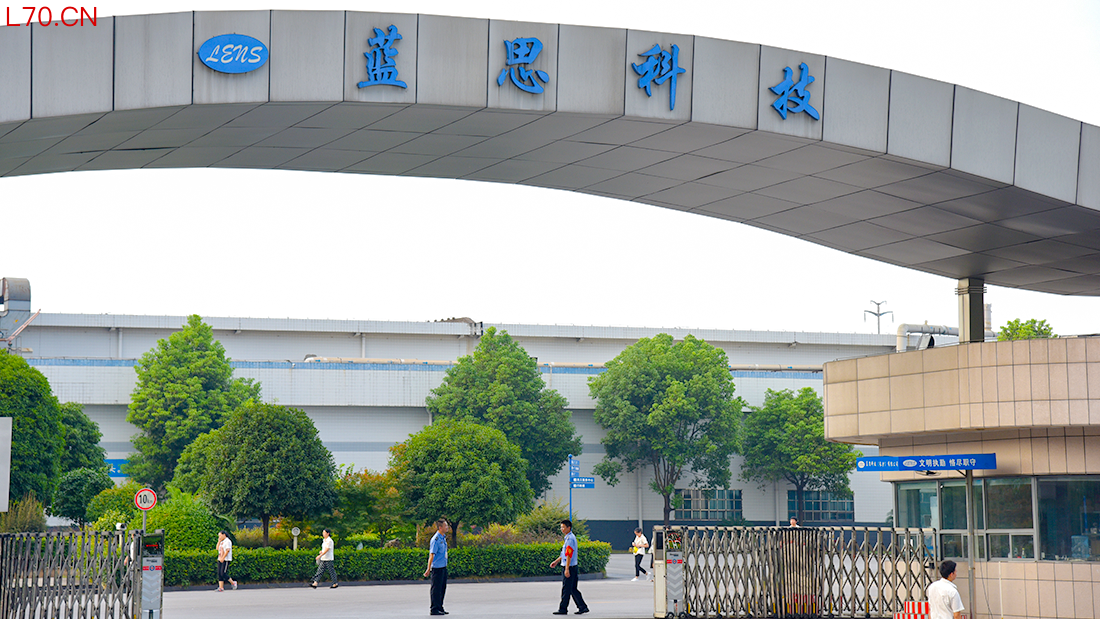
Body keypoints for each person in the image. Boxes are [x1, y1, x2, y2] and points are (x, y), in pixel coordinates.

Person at [550, 519, 589, 615]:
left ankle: (563, 609)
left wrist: (567, 569)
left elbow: (569, 555)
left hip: (570, 567)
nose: (562, 529)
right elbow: (565, 553)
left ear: (569, 527)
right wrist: (556, 561)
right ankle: (583, 607)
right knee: (572, 589)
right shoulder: (568, 537)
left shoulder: (570, 539)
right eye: (561, 527)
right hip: (572, 566)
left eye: (563, 527)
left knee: (566, 589)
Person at [424, 518, 450, 616]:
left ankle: (440, 607)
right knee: (436, 589)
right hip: (437, 568)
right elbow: (432, 555)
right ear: (440, 527)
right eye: (445, 526)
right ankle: (434, 608)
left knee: (442, 588)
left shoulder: (443, 538)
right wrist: (428, 568)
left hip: (443, 567)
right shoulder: (435, 539)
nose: (447, 527)